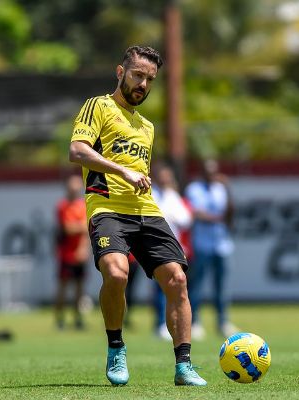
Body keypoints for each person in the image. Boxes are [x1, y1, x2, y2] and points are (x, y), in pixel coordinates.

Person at [69, 45, 206, 386]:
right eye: (137, 75)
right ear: (120, 72)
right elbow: (77, 150)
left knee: (177, 279)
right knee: (116, 274)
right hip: (106, 207)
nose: (143, 84)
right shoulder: (98, 106)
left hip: (145, 210)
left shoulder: (147, 126)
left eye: (150, 79)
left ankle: (184, 366)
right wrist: (123, 171)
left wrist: (137, 178)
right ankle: (116, 348)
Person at [185, 159, 238, 339]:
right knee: (197, 285)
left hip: (221, 244)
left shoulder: (221, 188)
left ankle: (222, 321)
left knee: (221, 286)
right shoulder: (194, 189)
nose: (211, 175)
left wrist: (229, 188)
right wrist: (216, 219)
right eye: (208, 172)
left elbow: (230, 210)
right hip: (202, 243)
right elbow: (195, 212)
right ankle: (195, 322)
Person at [151, 164, 192, 341]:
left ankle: (177, 325)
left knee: (177, 286)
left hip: (172, 246)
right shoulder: (149, 192)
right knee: (160, 288)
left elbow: (186, 219)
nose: (165, 179)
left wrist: (169, 214)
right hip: (153, 245)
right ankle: (160, 323)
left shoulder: (172, 196)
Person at [54, 175, 89, 330]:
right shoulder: (63, 206)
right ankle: (60, 318)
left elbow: (86, 230)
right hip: (66, 254)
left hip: (80, 254)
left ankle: (77, 318)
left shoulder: (83, 205)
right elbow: (68, 228)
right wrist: (81, 226)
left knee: (79, 289)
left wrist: (84, 248)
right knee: (63, 287)